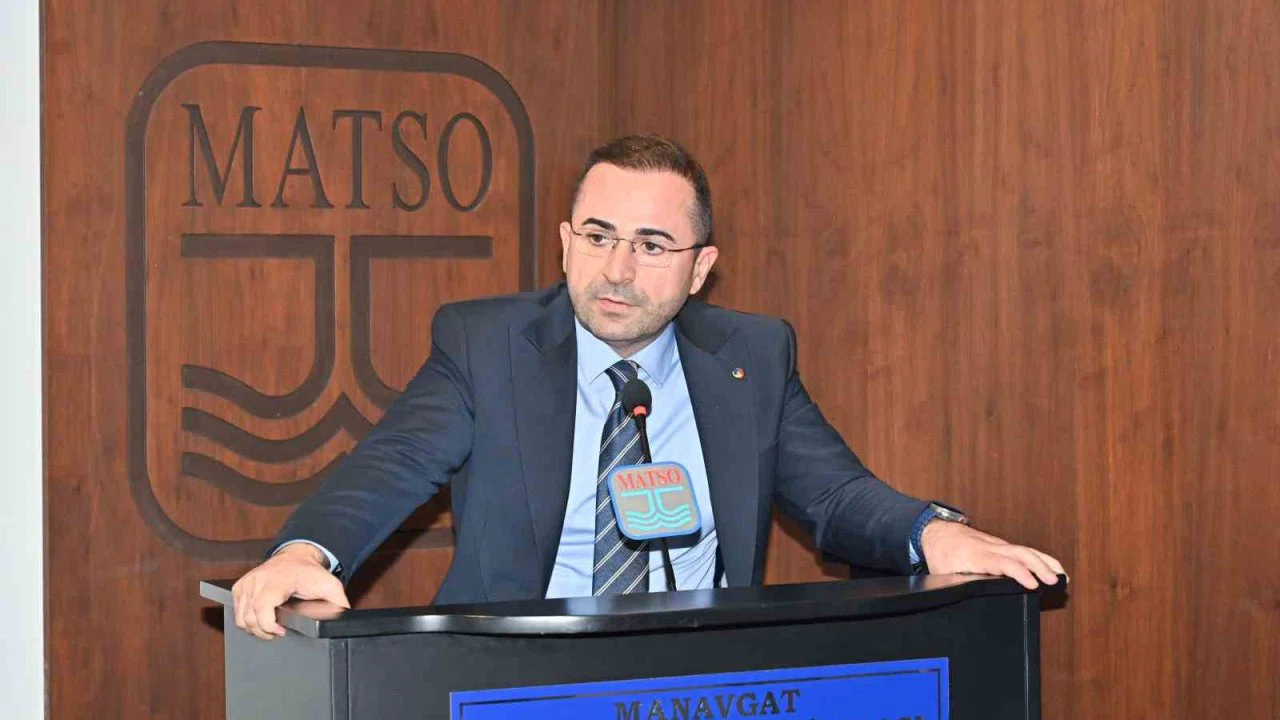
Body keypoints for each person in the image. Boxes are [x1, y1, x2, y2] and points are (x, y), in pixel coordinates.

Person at [232, 135, 1065, 640]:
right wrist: (305, 553)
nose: (618, 269)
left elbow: (835, 495)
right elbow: (393, 464)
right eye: (598, 237)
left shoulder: (752, 357)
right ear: (566, 242)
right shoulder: (487, 347)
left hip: (699, 682)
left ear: (701, 268)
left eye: (653, 245)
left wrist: (931, 533)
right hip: (515, 678)